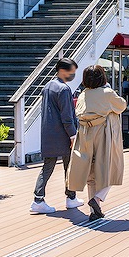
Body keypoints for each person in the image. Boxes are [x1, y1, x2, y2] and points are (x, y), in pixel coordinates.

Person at [68, 65, 127, 222]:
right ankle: (98, 199)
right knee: (111, 168)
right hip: (103, 135)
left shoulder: (83, 94)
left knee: (90, 172)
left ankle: (94, 212)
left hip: (85, 136)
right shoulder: (107, 93)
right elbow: (122, 105)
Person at [31, 58, 83, 214]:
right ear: (62, 70)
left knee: (47, 167)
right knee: (70, 166)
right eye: (71, 71)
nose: (73, 74)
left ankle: (38, 199)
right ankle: (70, 197)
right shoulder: (64, 89)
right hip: (64, 135)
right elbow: (67, 116)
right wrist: (73, 136)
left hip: (49, 133)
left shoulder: (48, 86)